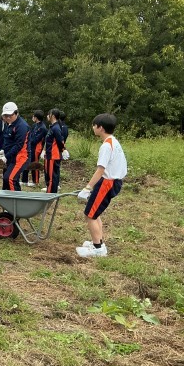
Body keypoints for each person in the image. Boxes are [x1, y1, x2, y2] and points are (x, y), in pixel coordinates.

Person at [75, 114, 127, 258]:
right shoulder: (113, 141)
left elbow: (100, 169)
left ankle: (98, 249)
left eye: (94, 125)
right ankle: (98, 242)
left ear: (101, 128)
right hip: (112, 181)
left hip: (107, 183)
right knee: (94, 213)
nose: (93, 127)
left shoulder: (106, 146)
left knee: (90, 214)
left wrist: (87, 188)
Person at [0, 102, 30, 191]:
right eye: (5, 116)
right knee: (6, 178)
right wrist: (3, 151)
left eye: (10, 115)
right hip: (12, 156)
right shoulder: (10, 124)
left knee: (11, 179)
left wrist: (6, 156)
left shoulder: (21, 126)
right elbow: (9, 141)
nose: (8, 118)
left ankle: (16, 199)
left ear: (16, 113)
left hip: (21, 156)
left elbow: (19, 145)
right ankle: (12, 197)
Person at [41, 108, 67, 193]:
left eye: (49, 114)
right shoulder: (52, 127)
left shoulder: (56, 128)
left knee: (51, 176)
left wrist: (63, 150)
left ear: (53, 116)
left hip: (53, 155)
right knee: (49, 175)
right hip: (49, 155)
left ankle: (50, 194)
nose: (47, 116)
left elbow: (60, 141)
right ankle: (51, 192)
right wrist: (44, 151)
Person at [21, 110, 47, 187]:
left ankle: (35, 182)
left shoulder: (42, 128)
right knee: (26, 162)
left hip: (36, 149)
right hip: (30, 147)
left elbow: (35, 140)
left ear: (36, 117)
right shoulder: (34, 125)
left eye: (33, 116)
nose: (32, 117)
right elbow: (29, 135)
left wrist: (29, 140)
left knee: (34, 164)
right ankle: (24, 180)